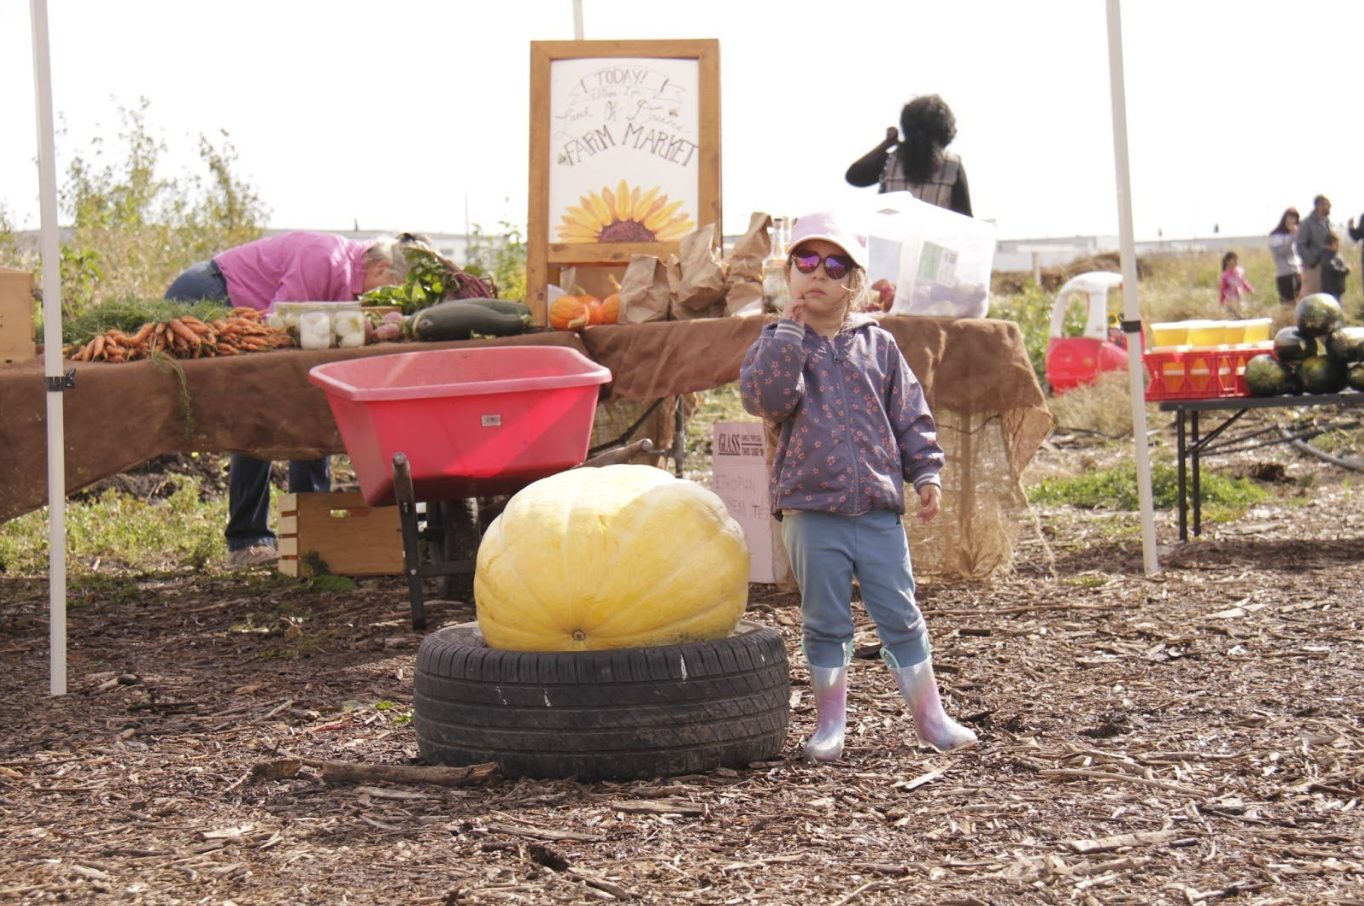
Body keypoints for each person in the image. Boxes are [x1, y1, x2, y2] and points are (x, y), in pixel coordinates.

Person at [738, 211, 977, 762]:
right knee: (825, 618)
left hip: (876, 508)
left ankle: (931, 719)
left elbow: (909, 413)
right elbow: (767, 401)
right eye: (806, 260)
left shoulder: (878, 344)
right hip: (810, 509)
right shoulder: (776, 342)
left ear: (855, 281)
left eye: (835, 265)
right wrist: (790, 336)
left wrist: (926, 471)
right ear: (789, 274)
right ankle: (830, 726)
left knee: (900, 612)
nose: (818, 273)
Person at [165, 231, 427, 568]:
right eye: (391, 286)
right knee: (258, 411)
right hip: (207, 294)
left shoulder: (351, 283)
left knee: (312, 405)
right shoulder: (325, 258)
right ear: (380, 267)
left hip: (250, 311)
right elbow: (280, 327)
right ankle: (247, 541)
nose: (388, 298)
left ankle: (312, 536)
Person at [845, 94, 972, 217]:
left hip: (893, 231)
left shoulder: (891, 160)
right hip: (935, 232)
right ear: (944, 130)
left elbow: (854, 176)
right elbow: (966, 219)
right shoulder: (952, 164)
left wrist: (887, 144)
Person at [1298, 195, 1332, 296]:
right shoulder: (1307, 223)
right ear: (1319, 206)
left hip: (1327, 267)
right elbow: (1300, 245)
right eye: (1326, 204)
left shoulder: (1327, 223)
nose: (1329, 206)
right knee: (1314, 298)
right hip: (1314, 268)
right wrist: (1311, 261)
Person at [1268, 208, 1302, 306]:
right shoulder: (1276, 235)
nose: (1291, 221)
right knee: (1288, 304)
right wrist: (1292, 237)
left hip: (1298, 272)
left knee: (1300, 304)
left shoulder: (1297, 235)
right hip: (1285, 274)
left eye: (1294, 218)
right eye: (1289, 218)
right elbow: (1282, 252)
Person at [1218, 251, 1254, 317]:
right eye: (1234, 260)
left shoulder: (1239, 272)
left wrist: (1249, 289)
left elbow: (1243, 282)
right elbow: (1222, 289)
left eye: (1236, 260)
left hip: (1239, 297)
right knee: (1234, 314)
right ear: (1228, 262)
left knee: (1241, 312)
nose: (1236, 262)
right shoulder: (1226, 275)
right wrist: (1221, 301)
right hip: (1231, 299)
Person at [1321, 233, 1350, 301]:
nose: (1338, 246)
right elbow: (1333, 269)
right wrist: (1345, 270)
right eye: (1336, 244)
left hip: (1337, 289)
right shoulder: (1327, 256)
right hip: (1331, 289)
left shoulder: (1335, 255)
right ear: (1329, 245)